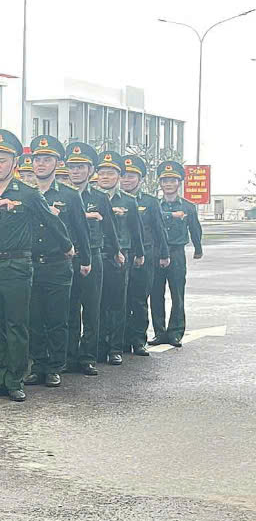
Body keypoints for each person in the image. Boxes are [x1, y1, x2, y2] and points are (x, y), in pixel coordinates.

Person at [0, 129, 71, 402]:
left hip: (16, 264)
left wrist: (67, 247)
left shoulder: (28, 193)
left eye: (2, 160)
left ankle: (15, 379)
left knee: (16, 324)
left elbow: (52, 221)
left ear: (15, 163)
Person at [25, 135, 90, 388]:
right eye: (37, 159)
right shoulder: (25, 193)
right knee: (34, 318)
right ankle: (38, 365)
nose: (40, 164)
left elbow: (81, 229)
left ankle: (54, 367)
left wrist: (86, 260)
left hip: (58, 264)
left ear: (57, 163)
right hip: (31, 263)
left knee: (57, 318)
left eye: (46, 159)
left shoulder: (69, 195)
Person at [63, 142, 118, 376]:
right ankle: (69, 356)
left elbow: (110, 228)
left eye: (81, 167)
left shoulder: (100, 197)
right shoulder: (62, 195)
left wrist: (116, 251)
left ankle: (87, 357)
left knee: (92, 308)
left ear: (90, 170)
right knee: (69, 309)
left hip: (93, 255)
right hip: (67, 256)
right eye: (72, 167)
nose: (76, 171)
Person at [94, 150, 144, 366]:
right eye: (102, 172)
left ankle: (115, 347)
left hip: (119, 256)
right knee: (96, 304)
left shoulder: (129, 201)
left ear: (119, 176)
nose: (105, 177)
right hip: (96, 253)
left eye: (111, 173)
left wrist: (139, 253)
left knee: (117, 303)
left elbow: (136, 229)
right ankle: (98, 346)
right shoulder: (89, 198)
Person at [151, 159, 203, 347]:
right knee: (156, 293)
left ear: (179, 182)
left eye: (172, 180)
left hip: (177, 252)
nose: (168, 184)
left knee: (177, 293)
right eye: (165, 181)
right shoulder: (155, 205)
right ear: (160, 183)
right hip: (157, 252)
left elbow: (195, 228)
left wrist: (198, 248)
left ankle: (175, 332)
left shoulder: (188, 206)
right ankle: (159, 332)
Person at [120, 155, 168, 357]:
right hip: (122, 255)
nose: (127, 180)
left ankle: (139, 341)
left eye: (131, 176)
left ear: (140, 180)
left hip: (144, 256)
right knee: (120, 301)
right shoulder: (112, 200)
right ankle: (121, 341)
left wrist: (164, 254)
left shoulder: (150, 202)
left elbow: (159, 229)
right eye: (123, 175)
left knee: (139, 300)